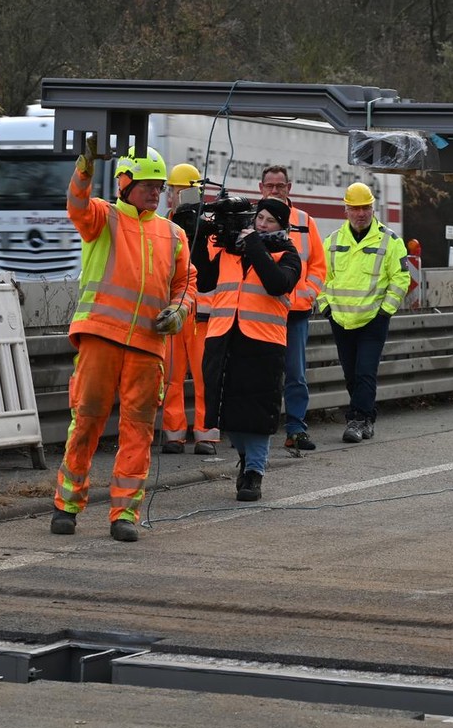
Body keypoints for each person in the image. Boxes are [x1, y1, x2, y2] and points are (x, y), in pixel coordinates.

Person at [53, 139, 195, 543]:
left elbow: (187, 283)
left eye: (160, 185)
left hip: (148, 346)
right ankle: (66, 506)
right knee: (86, 422)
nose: (156, 191)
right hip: (101, 335)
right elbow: (77, 205)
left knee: (138, 432)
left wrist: (180, 311)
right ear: (124, 183)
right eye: (149, 184)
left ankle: (124, 515)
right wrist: (84, 169)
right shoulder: (104, 217)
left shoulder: (174, 234)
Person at [193, 197, 301, 501]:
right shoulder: (231, 252)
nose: (261, 224)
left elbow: (277, 283)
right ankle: (245, 457)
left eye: (269, 221)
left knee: (256, 413)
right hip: (224, 336)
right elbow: (204, 281)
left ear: (282, 226)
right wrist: (200, 237)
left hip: (263, 343)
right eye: (259, 218)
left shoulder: (287, 253)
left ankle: (254, 472)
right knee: (227, 412)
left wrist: (254, 243)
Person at [317, 182, 410, 443]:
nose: (361, 213)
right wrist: (326, 308)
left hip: (373, 319)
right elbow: (320, 276)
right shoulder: (333, 241)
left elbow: (400, 278)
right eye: (356, 208)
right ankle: (367, 416)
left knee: (364, 372)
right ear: (346, 210)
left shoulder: (390, 241)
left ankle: (356, 420)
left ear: (373, 208)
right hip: (341, 319)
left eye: (366, 208)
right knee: (351, 374)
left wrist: (385, 311)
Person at [256, 166, 327, 452]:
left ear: (290, 187)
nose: (275, 190)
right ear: (261, 187)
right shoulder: (255, 220)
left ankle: (295, 428)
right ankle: (258, 427)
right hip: (261, 311)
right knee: (260, 372)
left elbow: (319, 266)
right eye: (270, 186)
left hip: (295, 313)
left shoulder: (304, 221)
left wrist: (305, 297)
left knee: (295, 373)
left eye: (280, 186)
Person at [158, 162, 218, 456]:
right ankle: (174, 434)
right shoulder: (164, 225)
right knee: (171, 377)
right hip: (174, 314)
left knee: (204, 376)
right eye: (171, 190)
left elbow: (211, 272)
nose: (172, 195)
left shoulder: (209, 225)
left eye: (177, 190)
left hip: (203, 316)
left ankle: (206, 435)